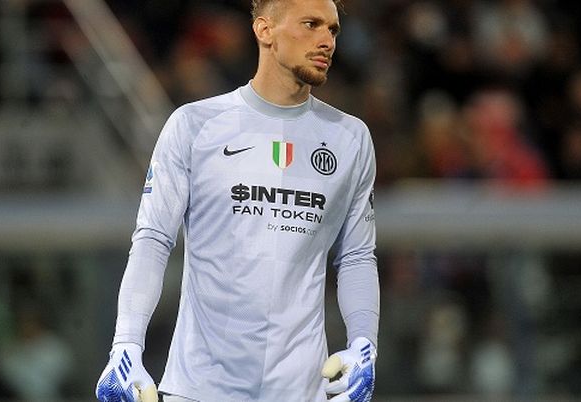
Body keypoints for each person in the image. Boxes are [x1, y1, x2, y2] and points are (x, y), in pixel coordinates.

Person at [95, 0, 379, 401]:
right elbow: (154, 239)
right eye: (311, 24)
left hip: (301, 392)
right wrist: (125, 344)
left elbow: (356, 256)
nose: (326, 40)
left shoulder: (350, 138)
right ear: (264, 30)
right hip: (199, 389)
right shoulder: (195, 125)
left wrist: (365, 342)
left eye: (332, 30)